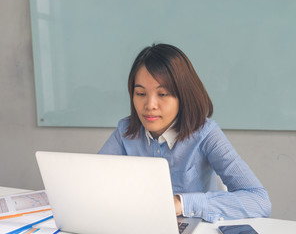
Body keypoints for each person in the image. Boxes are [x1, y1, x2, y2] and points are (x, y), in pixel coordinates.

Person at [98, 43, 271, 223]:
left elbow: (259, 201)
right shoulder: (125, 131)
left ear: (183, 95)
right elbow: (94, 185)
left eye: (163, 94)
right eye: (140, 93)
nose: (149, 105)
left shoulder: (206, 134)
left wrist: (182, 203)